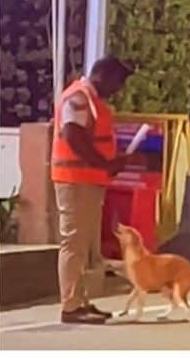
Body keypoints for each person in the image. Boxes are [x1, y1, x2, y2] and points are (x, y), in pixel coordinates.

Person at [51, 56, 133, 324]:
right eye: (117, 83)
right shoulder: (78, 98)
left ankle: (80, 301)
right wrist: (105, 164)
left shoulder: (90, 100)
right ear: (103, 75)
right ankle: (71, 306)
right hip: (76, 179)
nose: (117, 90)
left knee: (82, 243)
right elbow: (72, 134)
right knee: (74, 242)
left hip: (88, 179)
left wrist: (108, 165)